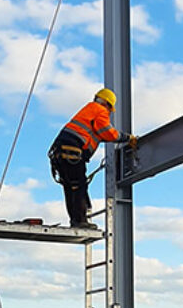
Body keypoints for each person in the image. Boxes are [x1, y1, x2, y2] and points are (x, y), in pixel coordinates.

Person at [48, 88, 137, 228]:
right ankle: (80, 221)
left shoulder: (89, 111)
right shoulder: (99, 110)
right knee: (79, 186)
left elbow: (95, 134)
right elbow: (108, 132)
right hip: (72, 151)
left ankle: (76, 220)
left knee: (70, 187)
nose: (109, 112)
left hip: (60, 152)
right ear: (107, 104)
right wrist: (127, 138)